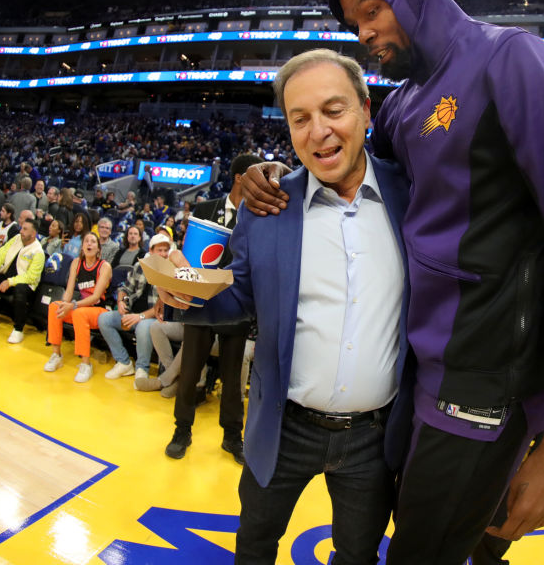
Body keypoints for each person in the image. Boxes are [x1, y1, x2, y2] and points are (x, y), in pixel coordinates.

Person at [242, 0, 544, 560]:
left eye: (373, 11)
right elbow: (350, 168)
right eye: (354, 24)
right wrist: (267, 174)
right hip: (423, 387)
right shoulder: (402, 104)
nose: (365, 32)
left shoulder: (513, 61)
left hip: (487, 389)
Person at [160, 50, 411, 562]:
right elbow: (239, 298)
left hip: (374, 437)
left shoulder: (412, 194)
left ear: (366, 109)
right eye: (300, 118)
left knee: (358, 556)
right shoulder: (269, 205)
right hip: (283, 425)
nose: (318, 131)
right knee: (254, 547)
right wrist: (184, 292)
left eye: (333, 110)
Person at [155, 152, 263, 462]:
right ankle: (181, 430)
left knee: (233, 380)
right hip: (200, 306)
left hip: (237, 309)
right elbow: (180, 252)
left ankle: (232, 436)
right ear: (241, 177)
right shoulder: (204, 209)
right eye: (256, 177)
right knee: (189, 373)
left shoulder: (260, 217)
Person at [97, 233, 170, 383]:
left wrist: (139, 316)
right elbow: (125, 290)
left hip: (152, 318)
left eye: (165, 250)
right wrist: (122, 302)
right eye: (159, 250)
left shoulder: (170, 272)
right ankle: (123, 362)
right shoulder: (140, 266)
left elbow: (162, 306)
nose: (163, 254)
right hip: (131, 313)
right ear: (151, 250)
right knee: (104, 318)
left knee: (143, 327)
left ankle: (142, 368)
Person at [44, 232, 112, 382]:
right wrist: (64, 305)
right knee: (54, 307)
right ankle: (56, 355)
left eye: (93, 242)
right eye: (86, 241)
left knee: (79, 314)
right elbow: (69, 290)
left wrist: (72, 305)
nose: (89, 244)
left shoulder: (104, 266)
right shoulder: (76, 262)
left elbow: (95, 297)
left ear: (98, 248)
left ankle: (86, 364)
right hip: (80, 307)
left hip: (100, 310)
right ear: (82, 247)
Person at [0, 218, 44, 340]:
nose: (21, 231)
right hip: (7, 277)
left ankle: (18, 330)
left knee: (20, 291)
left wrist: (10, 282)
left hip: (26, 284)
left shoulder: (38, 251)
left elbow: (31, 277)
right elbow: (1, 254)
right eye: (22, 228)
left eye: (25, 229)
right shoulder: (16, 239)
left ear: (33, 234)